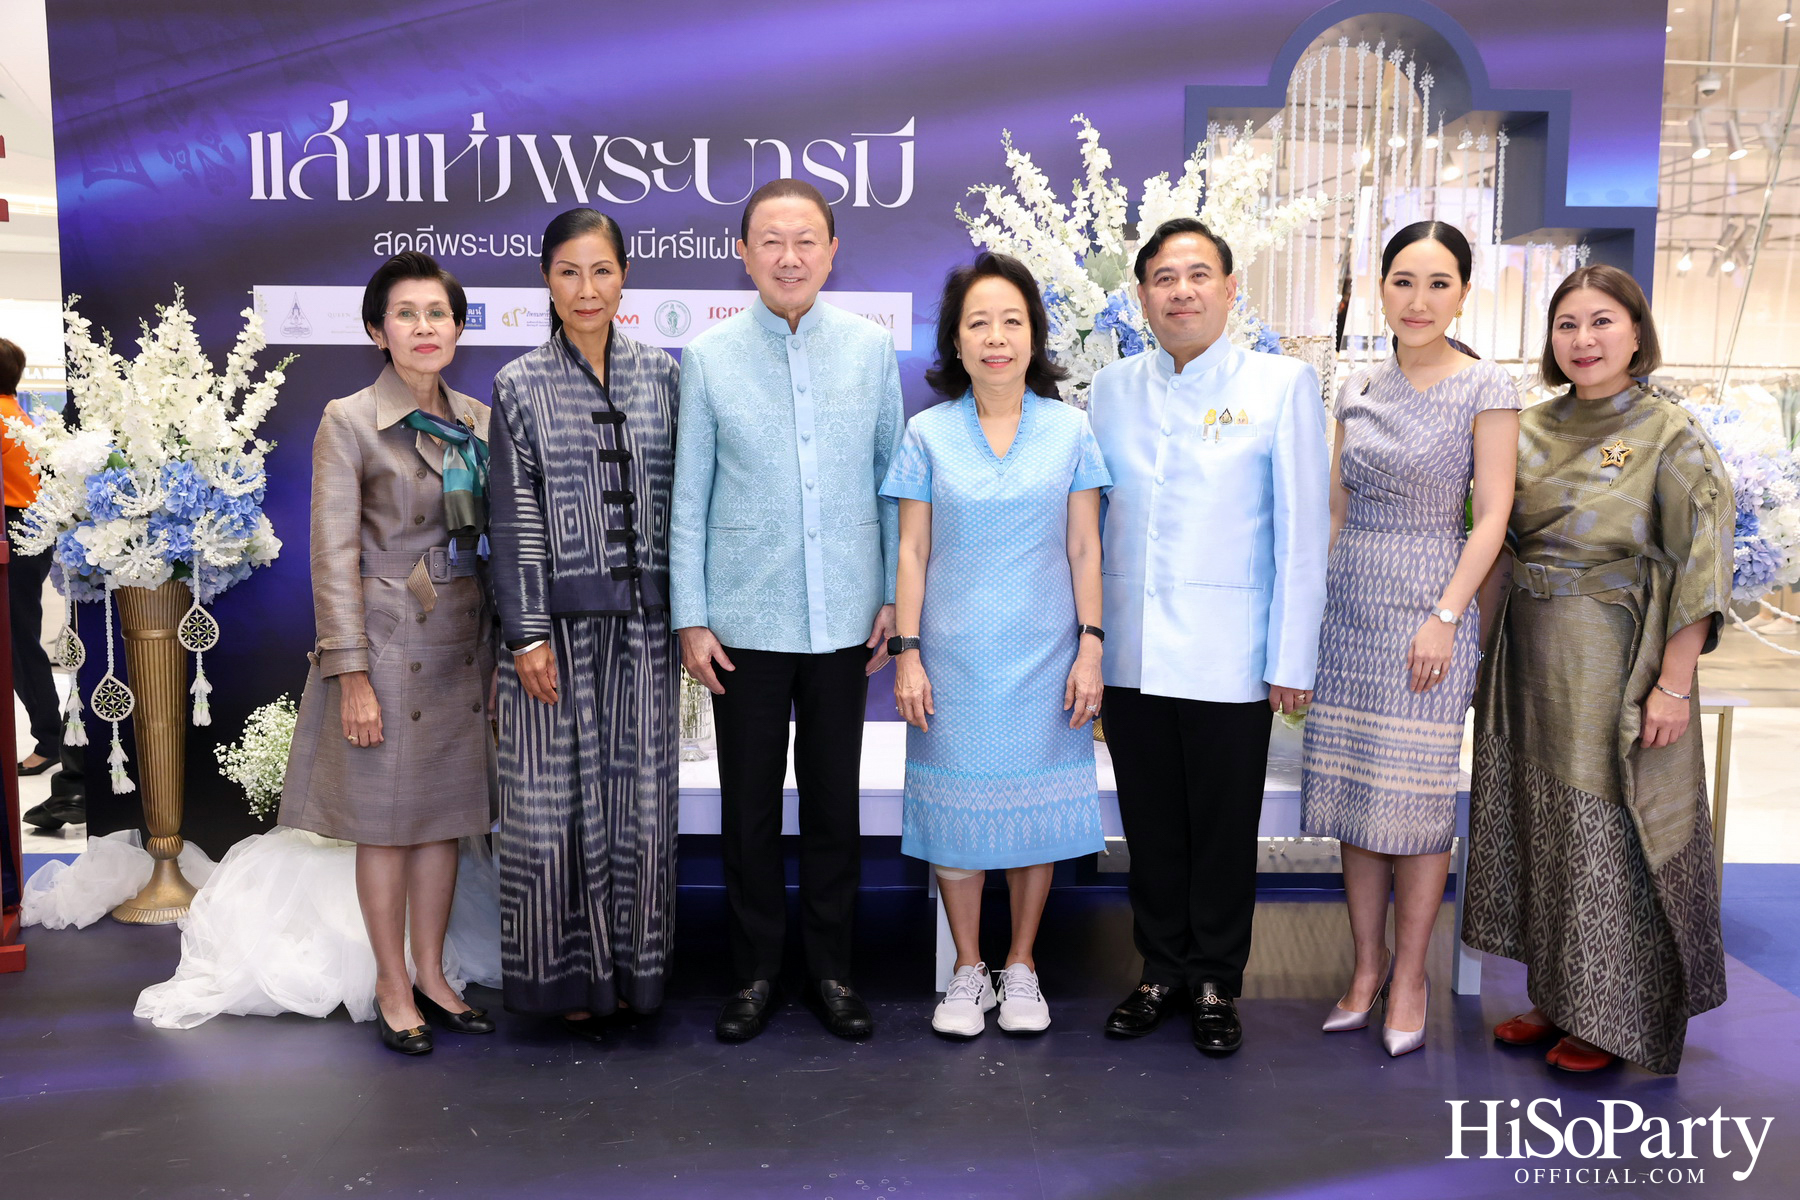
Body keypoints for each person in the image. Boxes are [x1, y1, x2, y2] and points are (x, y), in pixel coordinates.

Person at [1464, 265, 1732, 1075]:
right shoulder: (1530, 427)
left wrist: (1675, 682)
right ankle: (1557, 995)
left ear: (1637, 332)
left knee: (1610, 829)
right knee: (1542, 824)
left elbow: (1703, 561)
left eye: (1601, 322)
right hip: (1528, 654)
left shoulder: (1667, 432)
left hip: (1618, 659)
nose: (1583, 341)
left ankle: (1612, 1016)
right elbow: (1498, 545)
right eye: (1567, 325)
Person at [1088, 217, 1329, 1056]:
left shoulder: (1280, 385)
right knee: (1148, 823)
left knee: (1224, 828)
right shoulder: (1111, 389)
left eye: (1198, 274)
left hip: (1232, 653)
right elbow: (1098, 525)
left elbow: (1302, 534)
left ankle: (1219, 981)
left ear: (1231, 289)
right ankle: (1158, 970)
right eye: (1162, 277)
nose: (1180, 290)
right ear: (1141, 295)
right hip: (1133, 650)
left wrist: (1291, 656)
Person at [671, 179, 903, 1042]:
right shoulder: (710, 358)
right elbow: (687, 497)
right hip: (743, 622)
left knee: (836, 807)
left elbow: (892, 484)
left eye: (806, 239)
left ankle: (833, 970)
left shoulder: (869, 351)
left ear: (833, 251)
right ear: (744, 254)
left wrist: (888, 595)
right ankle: (755, 974)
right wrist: (691, 617)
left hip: (845, 618)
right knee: (750, 812)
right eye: (771, 240)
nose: (790, 256)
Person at [1299, 221, 1520, 1057]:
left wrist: (1448, 615)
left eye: (1436, 283)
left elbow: (1494, 513)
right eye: (1402, 281)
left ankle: (1414, 974)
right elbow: (1333, 509)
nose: (1417, 299)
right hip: (1351, 609)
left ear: (1463, 291)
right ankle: (1364, 969)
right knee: (1360, 799)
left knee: (1418, 807)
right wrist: (1315, 613)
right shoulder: (1355, 388)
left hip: (1434, 611)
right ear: (1381, 290)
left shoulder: (1487, 387)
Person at [276, 251, 499, 1054]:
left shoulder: (478, 418)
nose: (424, 327)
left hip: (462, 650)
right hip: (386, 644)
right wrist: (351, 674)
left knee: (441, 823)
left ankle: (434, 975)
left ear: (458, 325)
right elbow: (332, 553)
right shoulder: (348, 420)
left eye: (437, 313)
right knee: (387, 827)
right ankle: (391, 982)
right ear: (378, 330)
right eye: (406, 314)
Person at [882, 253, 1109, 1038]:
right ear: (955, 339)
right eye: (978, 322)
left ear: (1034, 334)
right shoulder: (927, 434)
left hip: (1047, 653)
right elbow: (911, 552)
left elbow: (1086, 548)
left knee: (1033, 813)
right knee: (958, 817)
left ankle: (1022, 967)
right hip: (952, 657)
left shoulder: (1071, 429)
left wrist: (1092, 646)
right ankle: (966, 969)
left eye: (1011, 320)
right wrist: (907, 650)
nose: (996, 337)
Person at [489, 208, 681, 1039]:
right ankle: (562, 977)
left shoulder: (664, 377)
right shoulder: (519, 383)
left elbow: (688, 501)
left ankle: (637, 978)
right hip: (555, 642)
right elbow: (513, 511)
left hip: (645, 635)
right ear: (546, 280)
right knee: (549, 810)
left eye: (601, 271)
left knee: (640, 806)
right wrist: (527, 632)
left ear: (625, 276)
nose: (587, 289)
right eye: (569, 272)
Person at [0, 339, 64, 789]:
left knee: (20, 642)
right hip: (28, 530)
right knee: (20, 639)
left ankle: (48, 740)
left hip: (13, 530)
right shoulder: (17, 416)